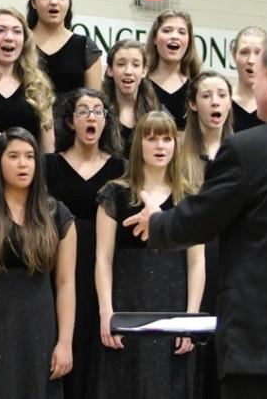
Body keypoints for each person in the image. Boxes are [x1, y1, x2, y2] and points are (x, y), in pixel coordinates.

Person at [126, 34, 267, 399]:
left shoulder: (248, 149)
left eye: (258, 75)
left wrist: (157, 222)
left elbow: (200, 220)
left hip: (259, 343)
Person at [0, 128, 76, 398]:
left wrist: (65, 342)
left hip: (38, 327)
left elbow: (66, 283)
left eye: (30, 156)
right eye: (14, 156)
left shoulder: (57, 214)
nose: (23, 163)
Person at [94, 111, 203, 398]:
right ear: (138, 144)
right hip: (128, 300)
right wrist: (107, 311)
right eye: (152, 138)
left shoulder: (189, 197)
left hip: (173, 301)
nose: (160, 146)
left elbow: (196, 263)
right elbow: (103, 259)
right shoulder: (115, 193)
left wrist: (190, 318)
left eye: (167, 138)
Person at [45, 88, 125, 399]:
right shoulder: (49, 165)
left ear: (106, 122)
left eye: (98, 111)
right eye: (83, 111)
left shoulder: (120, 168)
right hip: (60, 265)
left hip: (104, 264)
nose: (91, 117)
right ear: (70, 122)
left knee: (97, 344)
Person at [181, 70, 233, 399]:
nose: (215, 101)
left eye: (222, 95)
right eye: (206, 95)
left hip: (229, 257)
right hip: (187, 256)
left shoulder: (242, 150)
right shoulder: (177, 149)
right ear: (192, 103)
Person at [0, 7, 55, 152]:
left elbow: (48, 149)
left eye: (17, 31)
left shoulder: (38, 86)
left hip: (27, 172)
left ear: (24, 40)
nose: (9, 37)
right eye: (0, 30)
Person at [27, 0, 102, 95]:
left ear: (69, 2)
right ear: (33, 2)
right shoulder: (21, 43)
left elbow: (93, 103)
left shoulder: (85, 47)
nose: (54, 2)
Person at [146, 10, 202, 130]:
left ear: (189, 41)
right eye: (167, 31)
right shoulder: (140, 83)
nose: (174, 36)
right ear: (155, 38)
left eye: (182, 32)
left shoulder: (198, 86)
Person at [101, 39, 159, 155]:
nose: (128, 71)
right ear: (110, 70)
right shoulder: (100, 112)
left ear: (144, 71)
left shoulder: (156, 112)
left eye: (136, 65)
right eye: (121, 64)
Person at [230, 26, 267, 132]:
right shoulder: (222, 104)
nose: (251, 60)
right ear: (234, 56)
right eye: (244, 52)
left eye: (258, 53)